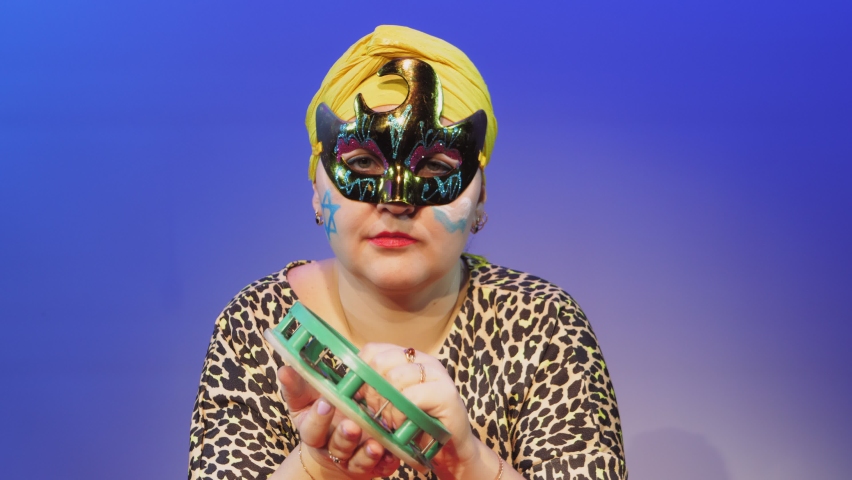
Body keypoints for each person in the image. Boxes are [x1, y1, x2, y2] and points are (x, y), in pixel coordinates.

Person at [188, 25, 626, 480]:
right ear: (317, 191)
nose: (397, 199)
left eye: (436, 166)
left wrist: (469, 464)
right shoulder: (255, 325)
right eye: (361, 162)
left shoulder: (544, 324)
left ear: (480, 198)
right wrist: (318, 467)